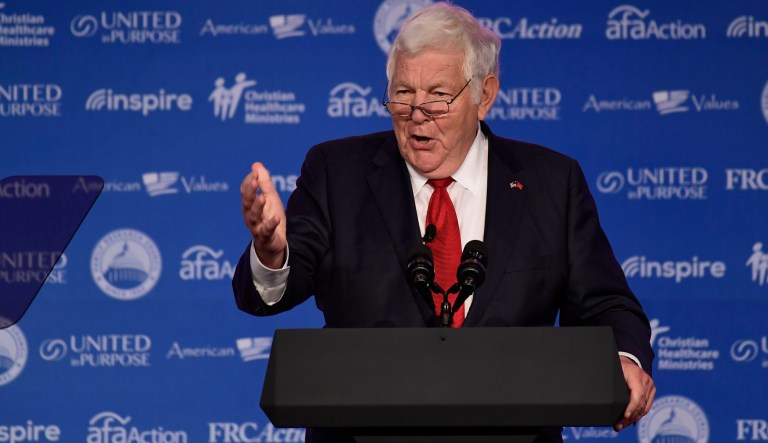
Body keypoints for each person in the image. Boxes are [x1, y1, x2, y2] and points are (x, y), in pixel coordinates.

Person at [233, 3, 655, 442]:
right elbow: (267, 294)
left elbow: (607, 304)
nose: (417, 113)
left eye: (438, 95)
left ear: (484, 95)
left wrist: (624, 359)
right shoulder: (336, 172)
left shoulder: (552, 182)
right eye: (403, 93)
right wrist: (271, 250)